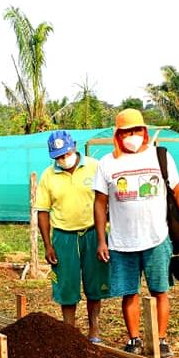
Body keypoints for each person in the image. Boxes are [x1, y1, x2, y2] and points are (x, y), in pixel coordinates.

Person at [93, 109, 179, 358]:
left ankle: (160, 340)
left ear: (144, 132)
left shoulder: (159, 156)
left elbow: (178, 191)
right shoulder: (107, 163)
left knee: (160, 290)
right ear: (118, 135)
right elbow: (99, 203)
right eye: (127, 131)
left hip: (156, 238)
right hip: (121, 242)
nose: (132, 136)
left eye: (137, 130)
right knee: (129, 293)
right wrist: (101, 239)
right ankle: (134, 339)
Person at [35, 130, 111, 342]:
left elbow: (106, 200)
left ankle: (94, 329)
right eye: (58, 156)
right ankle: (69, 331)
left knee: (95, 283)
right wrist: (48, 245)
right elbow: (43, 211)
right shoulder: (48, 176)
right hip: (63, 236)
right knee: (66, 286)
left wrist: (103, 237)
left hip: (93, 233)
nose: (63, 159)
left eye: (66, 153)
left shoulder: (95, 167)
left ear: (74, 146)